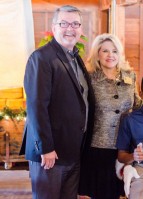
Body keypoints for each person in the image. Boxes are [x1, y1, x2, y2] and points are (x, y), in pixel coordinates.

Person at [19, 5, 95, 199]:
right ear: (54, 28)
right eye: (64, 23)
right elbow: (36, 107)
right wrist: (46, 148)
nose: (70, 28)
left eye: (75, 24)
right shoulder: (42, 58)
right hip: (50, 153)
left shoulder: (75, 58)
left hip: (72, 150)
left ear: (81, 29)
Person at [78, 33, 143, 199]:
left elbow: (137, 104)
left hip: (124, 146)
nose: (110, 55)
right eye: (105, 51)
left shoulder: (130, 76)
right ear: (97, 54)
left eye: (114, 51)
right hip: (98, 146)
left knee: (121, 192)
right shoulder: (89, 78)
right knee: (99, 193)